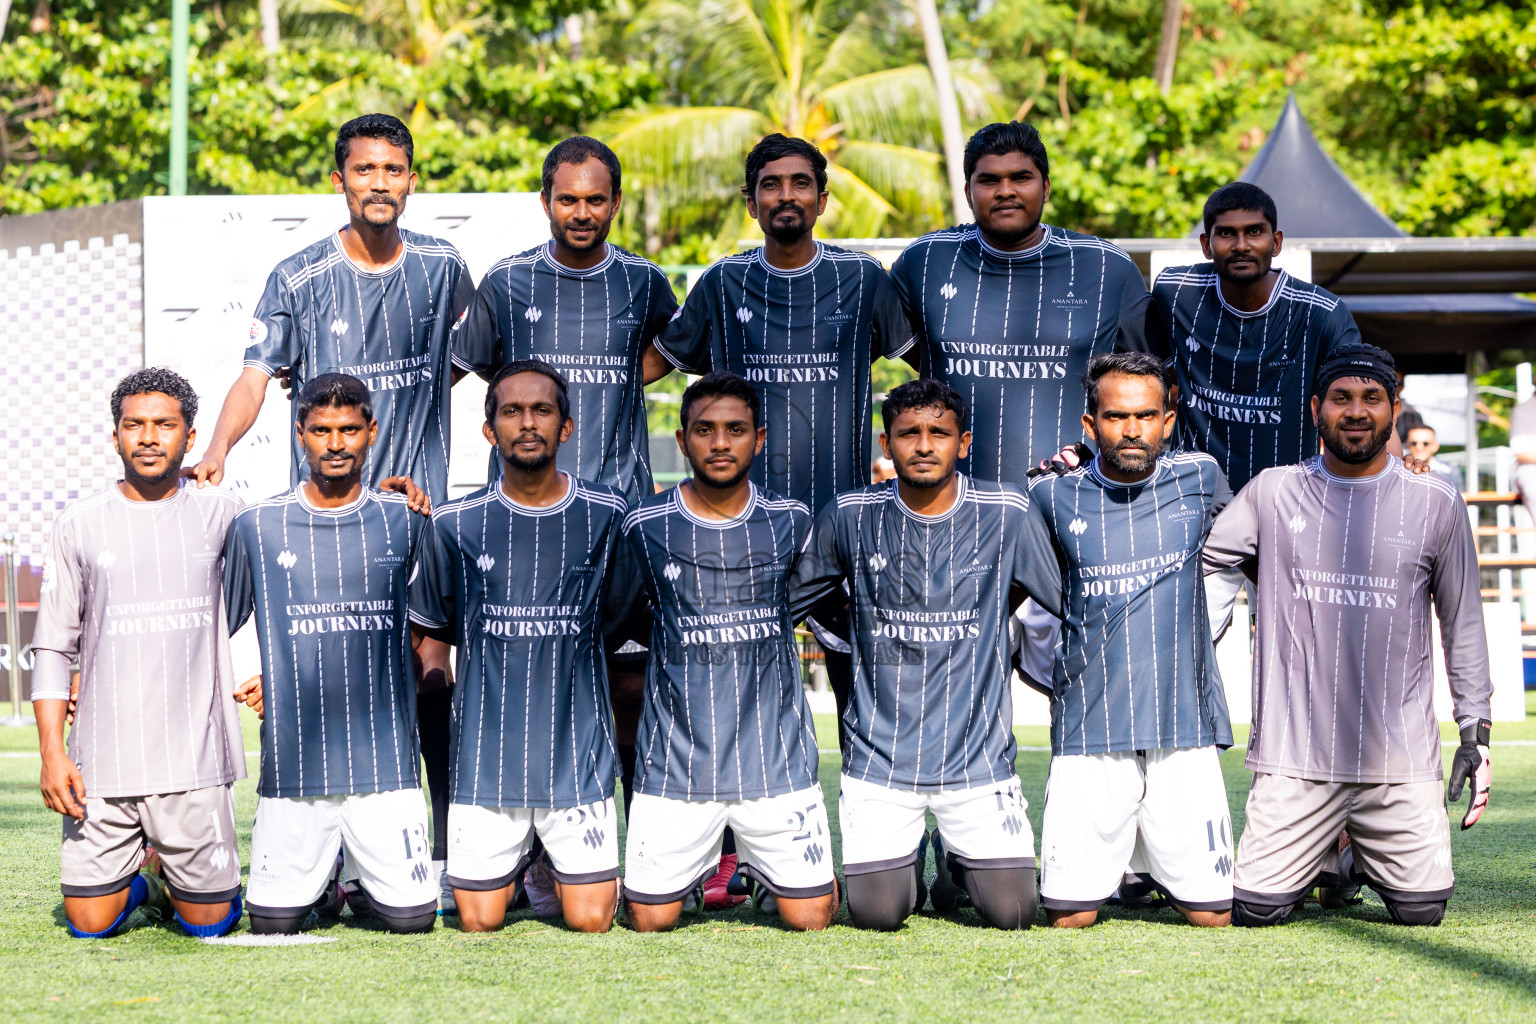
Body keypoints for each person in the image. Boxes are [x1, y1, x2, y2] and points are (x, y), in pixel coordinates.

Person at [189, 113, 474, 909]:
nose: (379, 183)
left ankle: (441, 848)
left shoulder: (447, 267)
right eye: (364, 170)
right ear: (340, 180)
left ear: (411, 179)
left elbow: (467, 358)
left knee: (428, 679)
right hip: (320, 529)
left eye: (393, 169)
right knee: (311, 683)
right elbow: (255, 376)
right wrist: (215, 450)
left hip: (416, 518)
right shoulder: (298, 275)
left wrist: (414, 419)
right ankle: (313, 868)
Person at [451, 137, 678, 888]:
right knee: (522, 687)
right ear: (545, 201)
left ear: (616, 202)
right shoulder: (509, 281)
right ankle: (518, 859)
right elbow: (487, 375)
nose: (582, 212)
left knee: (630, 691)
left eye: (596, 199)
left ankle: (640, 855)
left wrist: (613, 380)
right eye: (567, 199)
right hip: (519, 525)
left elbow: (662, 355)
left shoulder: (646, 283)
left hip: (619, 522)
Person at [1203, 344, 1493, 928]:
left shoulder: (1436, 501)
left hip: (1399, 760)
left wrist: (1474, 730)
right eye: (1341, 399)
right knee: (1257, 911)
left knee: (1423, 911)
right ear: (1316, 409)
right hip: (1294, 759)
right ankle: (1328, 855)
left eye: (1371, 399)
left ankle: (1348, 854)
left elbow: (1462, 620)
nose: (1355, 411)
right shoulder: (1271, 492)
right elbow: (1206, 564)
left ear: (1393, 408)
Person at [650, 133, 916, 763]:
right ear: (751, 202)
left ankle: (876, 838)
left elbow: (929, 372)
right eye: (771, 184)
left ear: (823, 200)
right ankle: (729, 856)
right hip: (740, 531)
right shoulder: (722, 282)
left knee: (864, 695)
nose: (786, 195)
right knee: (729, 698)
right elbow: (652, 364)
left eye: (800, 183)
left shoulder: (862, 278)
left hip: (842, 528)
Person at [787, 379, 1052, 931]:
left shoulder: (1007, 512)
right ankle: (910, 858)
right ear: (887, 444)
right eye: (909, 433)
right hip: (880, 761)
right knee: (879, 913)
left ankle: (956, 860)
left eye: (939, 433)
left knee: (1016, 913)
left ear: (965, 441)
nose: (925, 445)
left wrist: (989, 610)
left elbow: (1050, 592)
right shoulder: (850, 515)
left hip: (977, 760)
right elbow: (792, 601)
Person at [408, 361, 633, 933]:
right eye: (511, 411)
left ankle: (541, 864)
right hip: (487, 763)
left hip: (575, 760)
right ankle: (523, 862)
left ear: (566, 427)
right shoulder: (455, 523)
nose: (526, 423)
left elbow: (617, 620)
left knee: (591, 922)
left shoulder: (607, 514)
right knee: (478, 922)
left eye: (542, 410)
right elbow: (433, 626)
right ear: (490, 430)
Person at [1021, 354, 1234, 928]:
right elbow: (1028, 601)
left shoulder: (1203, 478)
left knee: (1212, 918)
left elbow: (1259, 545)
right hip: (1092, 724)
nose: (1133, 429)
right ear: (1090, 427)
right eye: (1116, 417)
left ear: (1168, 421)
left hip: (1182, 720)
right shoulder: (1048, 498)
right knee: (1071, 918)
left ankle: (1148, 871)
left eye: (1147, 415)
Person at [31, 368, 245, 939]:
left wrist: (389, 493)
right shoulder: (78, 525)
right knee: (88, 924)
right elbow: (53, 645)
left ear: (190, 437)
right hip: (103, 763)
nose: (149, 437)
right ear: (116, 436)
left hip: (193, 762)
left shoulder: (224, 515)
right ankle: (148, 879)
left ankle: (180, 878)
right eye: (135, 425)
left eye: (164, 425)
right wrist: (53, 752)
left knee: (209, 927)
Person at [619, 372, 836, 932]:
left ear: (758, 439)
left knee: (812, 918)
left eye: (735, 429)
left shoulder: (792, 520)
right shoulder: (644, 524)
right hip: (677, 764)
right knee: (648, 919)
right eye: (705, 430)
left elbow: (809, 603)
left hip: (775, 760)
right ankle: (687, 882)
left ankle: (767, 878)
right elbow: (624, 614)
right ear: (682, 438)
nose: (720, 443)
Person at [223, 374, 437, 935]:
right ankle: (327, 883)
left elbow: (432, 619)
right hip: (295, 763)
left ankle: (354, 877)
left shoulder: (406, 519)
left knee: (413, 921)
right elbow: (219, 622)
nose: (335, 443)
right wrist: (254, 676)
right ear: (300, 434)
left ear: (370, 432)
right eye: (321, 430)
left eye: (348, 430)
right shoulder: (257, 524)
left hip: (385, 762)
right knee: (272, 924)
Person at [889, 121, 1152, 487]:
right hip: (950, 501)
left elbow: (1153, 385)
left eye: (1021, 177)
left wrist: (1104, 455)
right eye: (989, 181)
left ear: (1045, 188)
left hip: (1072, 498)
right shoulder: (926, 260)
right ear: (968, 191)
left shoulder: (1107, 267)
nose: (1005, 191)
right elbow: (918, 352)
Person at [1404, 424, 1462, 492]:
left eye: (1425, 443)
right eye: (1414, 443)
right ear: (1407, 444)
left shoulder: (1450, 472)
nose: (1419, 447)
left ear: (1435, 446)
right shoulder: (1399, 469)